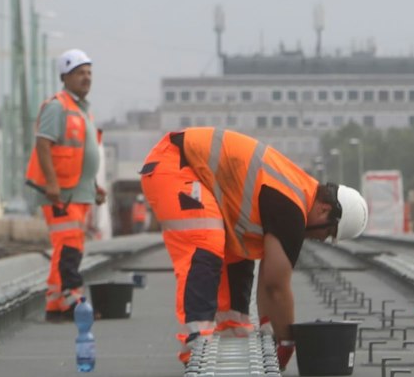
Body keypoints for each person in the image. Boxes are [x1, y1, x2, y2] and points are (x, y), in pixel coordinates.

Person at [139, 127, 368, 369]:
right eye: (329, 232)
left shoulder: (297, 195)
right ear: (324, 210)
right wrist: (287, 343)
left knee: (239, 250)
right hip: (175, 165)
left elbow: (269, 276)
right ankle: (197, 345)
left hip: (186, 167)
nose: (322, 239)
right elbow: (275, 286)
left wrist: (269, 326)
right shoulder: (293, 209)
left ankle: (232, 331)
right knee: (204, 242)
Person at [26, 48, 104, 320]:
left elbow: (82, 153)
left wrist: (95, 186)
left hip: (80, 191)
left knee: (70, 246)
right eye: (80, 73)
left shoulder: (82, 111)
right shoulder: (57, 107)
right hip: (62, 192)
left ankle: (55, 302)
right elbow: (43, 144)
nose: (86, 78)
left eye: (89, 73)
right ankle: (71, 296)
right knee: (69, 245)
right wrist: (51, 182)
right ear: (65, 76)